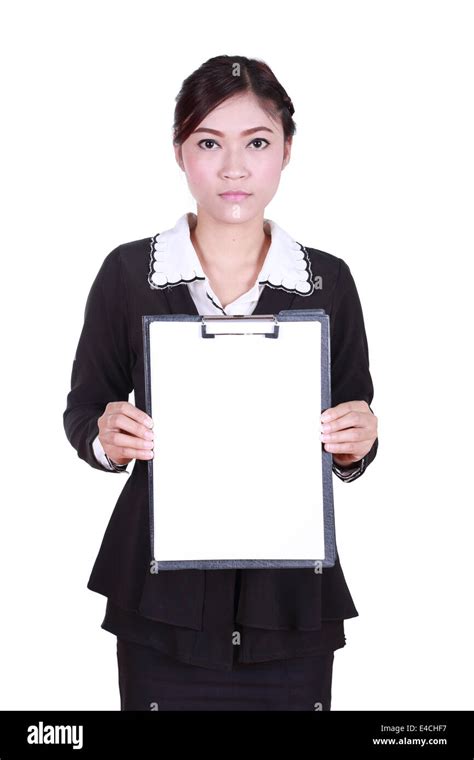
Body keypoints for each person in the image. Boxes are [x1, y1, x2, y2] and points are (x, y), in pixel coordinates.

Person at [63, 54, 378, 711]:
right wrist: (106, 437)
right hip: (161, 595)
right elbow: (85, 410)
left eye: (256, 143)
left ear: (286, 151)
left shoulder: (328, 280)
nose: (234, 168)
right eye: (209, 143)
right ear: (180, 152)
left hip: (288, 603)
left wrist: (357, 441)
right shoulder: (128, 274)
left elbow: (355, 418)